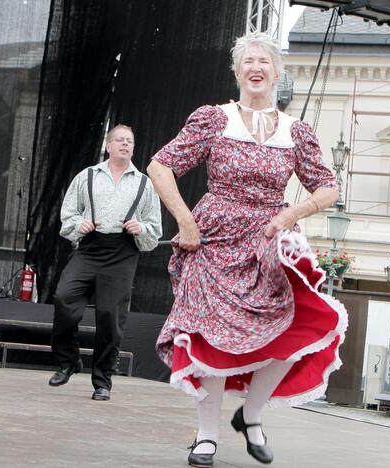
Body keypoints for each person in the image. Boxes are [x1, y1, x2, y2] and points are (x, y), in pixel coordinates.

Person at [146, 32, 346, 467]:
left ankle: (251, 416)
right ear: (237, 72)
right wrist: (185, 220)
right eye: (249, 61)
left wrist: (291, 215)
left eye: (265, 62)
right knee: (207, 337)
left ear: (276, 73)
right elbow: (161, 165)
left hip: (268, 242)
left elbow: (328, 188)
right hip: (213, 240)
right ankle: (205, 436)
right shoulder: (214, 119)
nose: (257, 68)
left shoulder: (296, 132)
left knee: (295, 329)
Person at [49, 124, 162, 401]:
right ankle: (68, 361)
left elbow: (154, 229)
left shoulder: (144, 184)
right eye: (120, 140)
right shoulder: (87, 176)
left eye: (130, 141)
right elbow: (68, 216)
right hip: (89, 247)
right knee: (65, 297)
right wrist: (80, 224)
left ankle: (102, 381)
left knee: (110, 317)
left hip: (122, 253)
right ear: (108, 145)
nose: (125, 144)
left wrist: (141, 228)